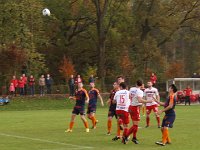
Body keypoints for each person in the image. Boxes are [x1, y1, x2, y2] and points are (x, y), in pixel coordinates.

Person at [122, 80, 153, 144]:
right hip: (135, 108)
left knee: (134, 124)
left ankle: (134, 138)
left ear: (136, 83)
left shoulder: (131, 89)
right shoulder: (140, 91)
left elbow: (129, 96)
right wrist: (148, 101)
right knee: (135, 125)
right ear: (141, 85)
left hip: (130, 106)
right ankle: (126, 136)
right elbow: (140, 100)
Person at [112, 76, 126, 141]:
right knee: (119, 121)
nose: (119, 80)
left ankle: (125, 135)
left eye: (120, 79)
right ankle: (118, 135)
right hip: (118, 106)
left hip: (125, 107)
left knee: (123, 122)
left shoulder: (124, 87)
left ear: (123, 79)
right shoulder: (117, 88)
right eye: (118, 80)